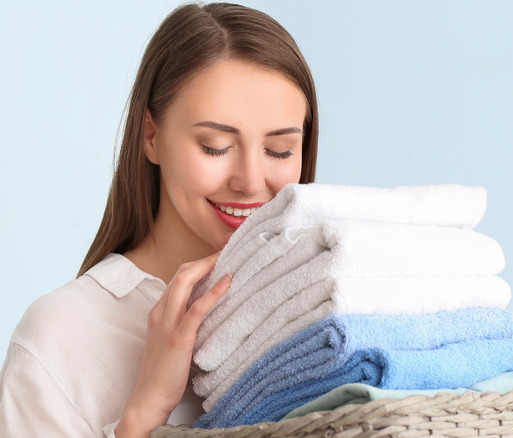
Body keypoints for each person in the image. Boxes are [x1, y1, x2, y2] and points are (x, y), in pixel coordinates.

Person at [0, 3, 318, 437]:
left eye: (279, 150)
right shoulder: (62, 337)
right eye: (215, 146)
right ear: (151, 136)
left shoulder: (319, 312)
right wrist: (145, 410)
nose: (250, 182)